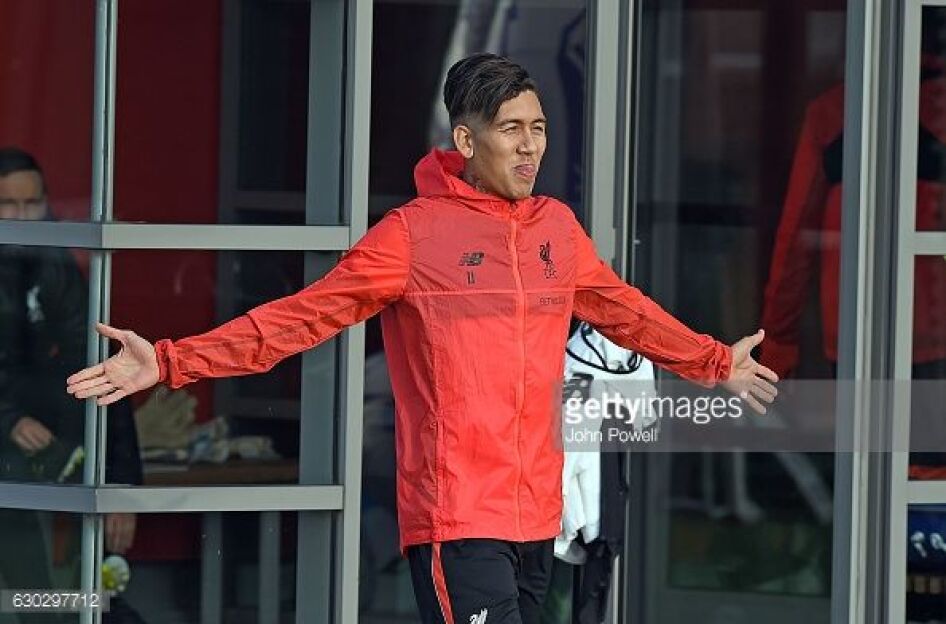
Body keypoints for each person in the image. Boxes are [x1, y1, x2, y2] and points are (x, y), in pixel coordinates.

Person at [66, 54, 778, 624]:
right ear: (466, 141)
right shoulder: (412, 235)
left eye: (537, 128)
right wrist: (171, 360)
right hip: (456, 514)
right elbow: (301, 317)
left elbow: (625, 311)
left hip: (538, 512)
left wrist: (715, 361)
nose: (529, 146)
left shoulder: (557, 228)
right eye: (511, 129)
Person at [0, 148, 142, 622]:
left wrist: (120, 487)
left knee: (92, 599)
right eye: (8, 204)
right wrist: (8, 419)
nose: (22, 217)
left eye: (31, 204)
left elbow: (103, 367)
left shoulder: (56, 264)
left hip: (59, 455)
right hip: (18, 467)